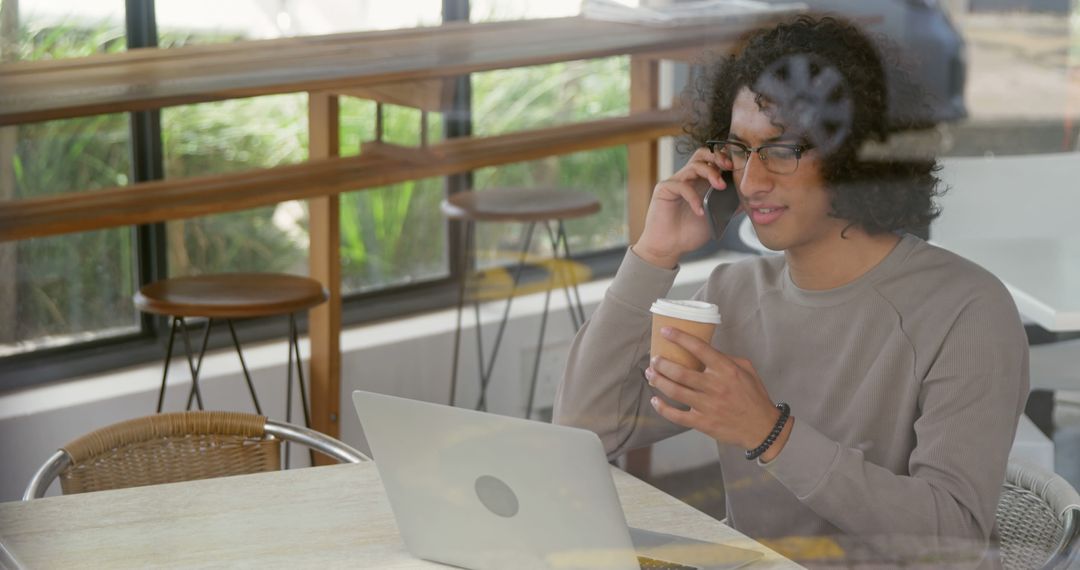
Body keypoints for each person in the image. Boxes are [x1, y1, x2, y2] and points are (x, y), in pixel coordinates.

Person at [553, 15, 1029, 559]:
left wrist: (771, 433)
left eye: (783, 150)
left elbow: (955, 543)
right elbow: (586, 430)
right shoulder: (730, 294)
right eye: (738, 150)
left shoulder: (968, 310)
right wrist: (652, 255)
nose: (751, 182)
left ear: (856, 155)